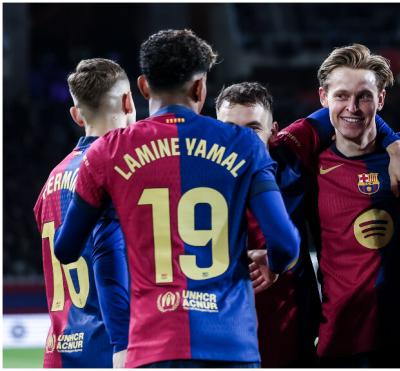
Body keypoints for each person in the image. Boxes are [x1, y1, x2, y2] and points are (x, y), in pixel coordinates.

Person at [54, 29, 300, 368]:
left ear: (142, 86)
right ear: (200, 88)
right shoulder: (243, 144)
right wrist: (271, 263)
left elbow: (66, 248)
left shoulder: (107, 153)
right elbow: (286, 244)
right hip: (230, 347)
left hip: (151, 349)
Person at [272, 44, 400, 367]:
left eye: (364, 96)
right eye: (341, 96)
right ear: (323, 98)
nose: (353, 107)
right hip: (339, 340)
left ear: (382, 100)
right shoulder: (308, 164)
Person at [33, 58, 132, 368]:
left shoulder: (50, 180)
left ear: (76, 115)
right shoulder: (123, 172)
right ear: (129, 101)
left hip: (60, 352)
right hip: (111, 350)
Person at [215, 82, 321, 367]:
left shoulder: (292, 159)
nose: (238, 140)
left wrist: (393, 143)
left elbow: (336, 107)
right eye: (228, 128)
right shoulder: (194, 176)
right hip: (227, 339)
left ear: (274, 132)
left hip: (294, 331)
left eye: (252, 129)